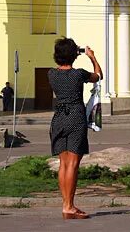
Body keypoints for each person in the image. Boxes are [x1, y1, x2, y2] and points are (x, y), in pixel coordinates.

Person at [48, 37, 103, 220]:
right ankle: (69, 206)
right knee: (73, 165)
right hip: (75, 118)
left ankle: (66, 205)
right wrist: (92, 57)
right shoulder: (79, 74)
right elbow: (98, 76)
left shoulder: (51, 74)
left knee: (63, 164)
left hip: (58, 119)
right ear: (74, 55)